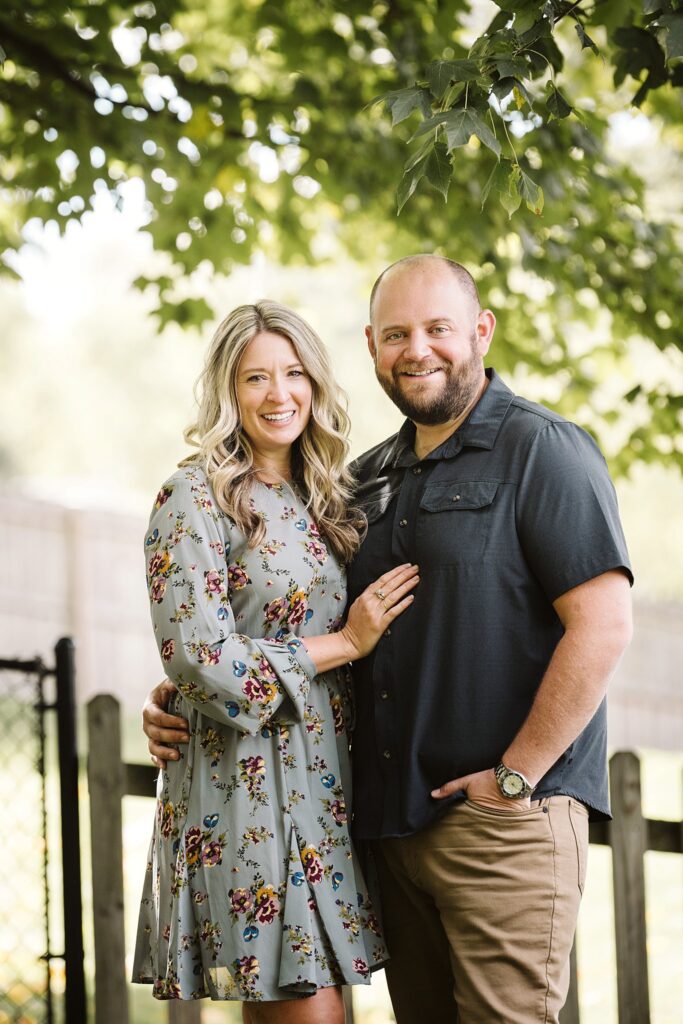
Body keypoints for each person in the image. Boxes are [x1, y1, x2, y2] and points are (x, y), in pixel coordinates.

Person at [144, 256, 634, 1024]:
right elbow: (250, 636)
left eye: (438, 328)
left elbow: (603, 625)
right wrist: (185, 694)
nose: (418, 349)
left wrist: (513, 780)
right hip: (379, 828)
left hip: (497, 824)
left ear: (480, 331)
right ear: (371, 346)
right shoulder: (363, 483)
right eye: (397, 333)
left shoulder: (543, 450)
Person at [133, 299, 419, 1022]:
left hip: (328, 795)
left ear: (316, 385)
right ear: (228, 391)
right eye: (255, 377)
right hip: (246, 794)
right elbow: (200, 655)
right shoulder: (193, 496)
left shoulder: (327, 496)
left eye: (293, 373)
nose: (278, 394)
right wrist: (344, 643)